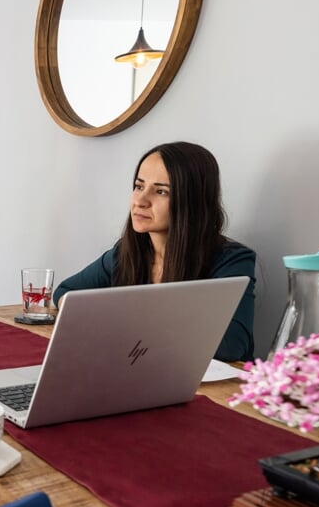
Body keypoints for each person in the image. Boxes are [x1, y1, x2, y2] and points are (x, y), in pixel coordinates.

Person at [53, 141, 256, 362]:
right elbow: (66, 292)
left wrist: (117, 321)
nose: (140, 201)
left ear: (192, 201)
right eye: (139, 186)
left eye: (161, 191)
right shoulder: (126, 252)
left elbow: (233, 345)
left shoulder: (232, 261)